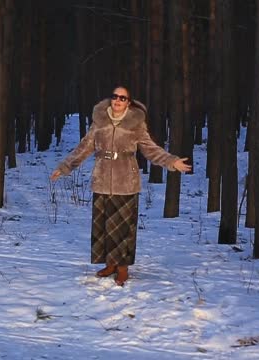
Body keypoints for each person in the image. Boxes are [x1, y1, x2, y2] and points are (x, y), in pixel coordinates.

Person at [50, 86, 191, 286]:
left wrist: (171, 161)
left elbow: (150, 149)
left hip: (126, 182)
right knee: (103, 227)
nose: (118, 100)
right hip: (102, 180)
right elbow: (84, 147)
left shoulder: (136, 124)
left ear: (129, 102)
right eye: (115, 96)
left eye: (122, 98)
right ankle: (110, 264)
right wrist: (65, 167)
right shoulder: (99, 121)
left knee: (123, 228)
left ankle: (122, 268)